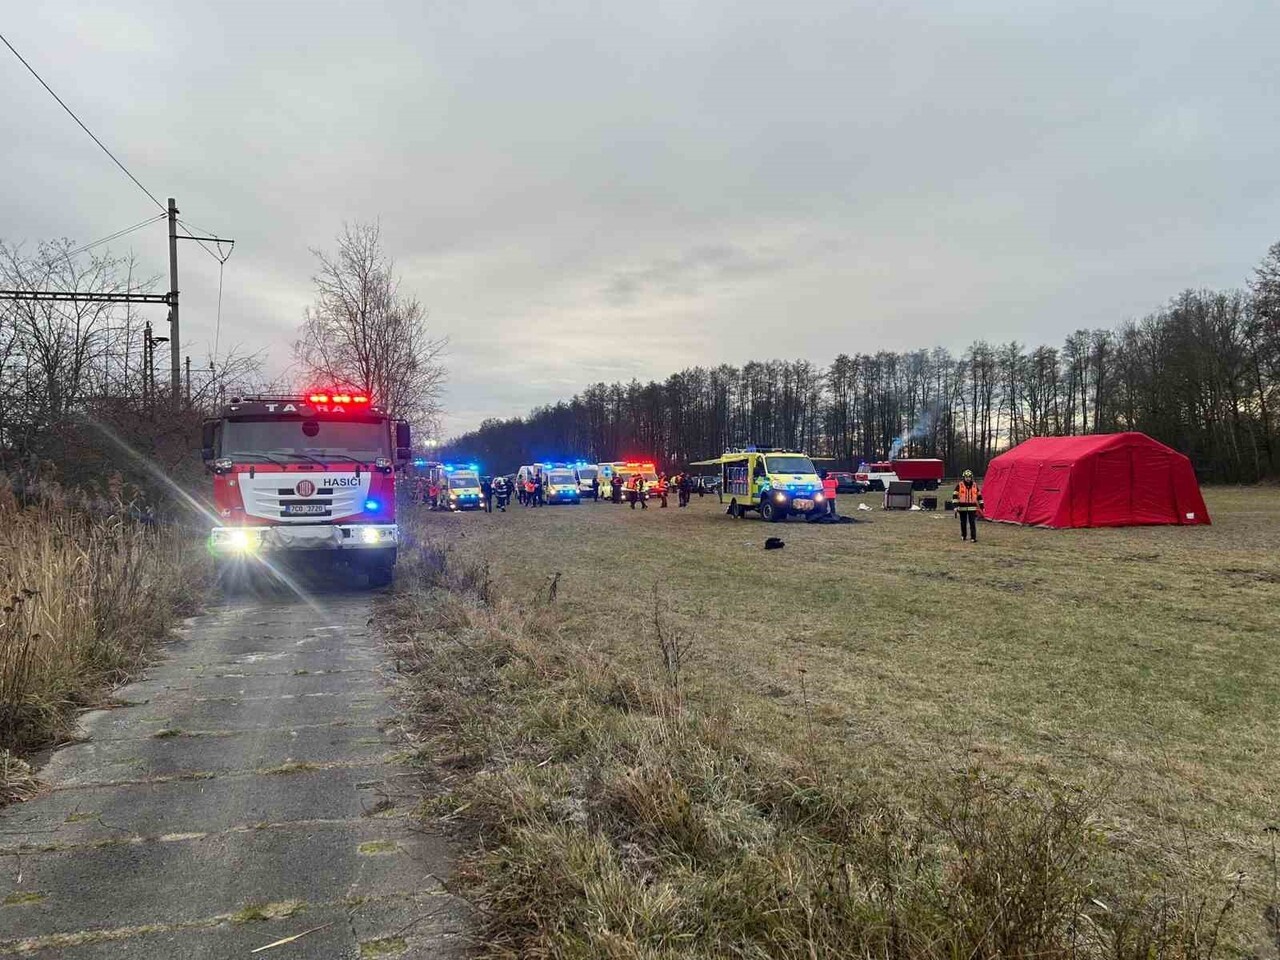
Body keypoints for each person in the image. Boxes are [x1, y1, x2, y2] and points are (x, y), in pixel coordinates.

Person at [950, 469, 984, 542]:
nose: (968, 478)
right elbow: (955, 496)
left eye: (969, 477)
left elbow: (979, 497)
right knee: (963, 523)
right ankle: (963, 536)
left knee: (972, 523)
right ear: (964, 477)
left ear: (971, 477)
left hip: (972, 507)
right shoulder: (959, 485)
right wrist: (955, 506)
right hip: (962, 507)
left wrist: (982, 506)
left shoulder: (975, 485)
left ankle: (973, 538)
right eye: (966, 477)